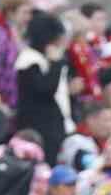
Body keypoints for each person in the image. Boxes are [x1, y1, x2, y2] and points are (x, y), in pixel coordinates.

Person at [15, 12, 74, 165]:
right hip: (38, 128)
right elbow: (45, 90)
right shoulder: (29, 60)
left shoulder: (43, 58)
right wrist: (56, 64)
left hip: (52, 127)